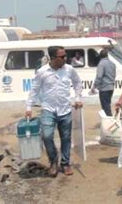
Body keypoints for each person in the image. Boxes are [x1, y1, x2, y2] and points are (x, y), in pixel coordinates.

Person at [25, 46, 83, 177]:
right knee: (46, 136)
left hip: (65, 109)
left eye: (65, 56)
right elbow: (34, 90)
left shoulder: (69, 69)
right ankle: (53, 161)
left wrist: (78, 98)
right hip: (48, 109)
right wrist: (29, 107)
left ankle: (65, 163)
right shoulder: (42, 72)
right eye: (62, 57)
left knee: (66, 138)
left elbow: (77, 83)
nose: (65, 58)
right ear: (52, 58)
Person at [91, 48, 116, 116]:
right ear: (107, 55)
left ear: (100, 56)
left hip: (104, 88)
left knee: (105, 107)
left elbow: (99, 76)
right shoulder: (113, 64)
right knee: (108, 105)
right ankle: (109, 120)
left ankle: (109, 121)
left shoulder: (101, 64)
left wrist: (94, 87)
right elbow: (114, 75)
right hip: (111, 87)